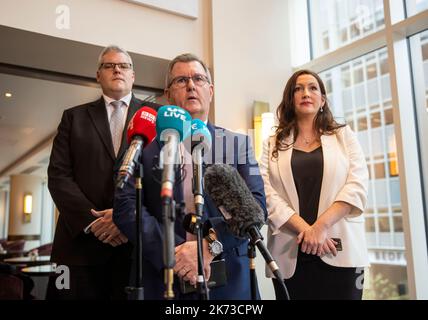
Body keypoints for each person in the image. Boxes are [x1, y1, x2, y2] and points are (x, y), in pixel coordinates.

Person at [113, 53, 267, 300]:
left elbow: (257, 207)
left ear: (211, 90)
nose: (191, 85)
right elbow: (125, 206)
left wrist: (208, 246)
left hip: (229, 283)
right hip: (161, 280)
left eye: (199, 79)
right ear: (168, 93)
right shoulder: (144, 145)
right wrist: (172, 254)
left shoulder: (237, 144)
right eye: (181, 80)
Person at [47, 45, 159, 299]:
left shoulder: (157, 116)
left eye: (124, 65)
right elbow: (58, 177)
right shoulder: (73, 118)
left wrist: (124, 220)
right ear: (98, 75)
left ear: (133, 76)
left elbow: (163, 179)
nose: (117, 69)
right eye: (109, 65)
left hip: (136, 247)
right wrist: (94, 222)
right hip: (81, 249)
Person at [260, 69, 369, 300]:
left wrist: (320, 228)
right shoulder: (271, 144)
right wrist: (307, 230)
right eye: (298, 89)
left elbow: (356, 185)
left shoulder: (344, 136)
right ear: (290, 99)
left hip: (340, 250)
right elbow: (266, 194)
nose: (305, 93)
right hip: (290, 252)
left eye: (312, 88)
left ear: (323, 99)